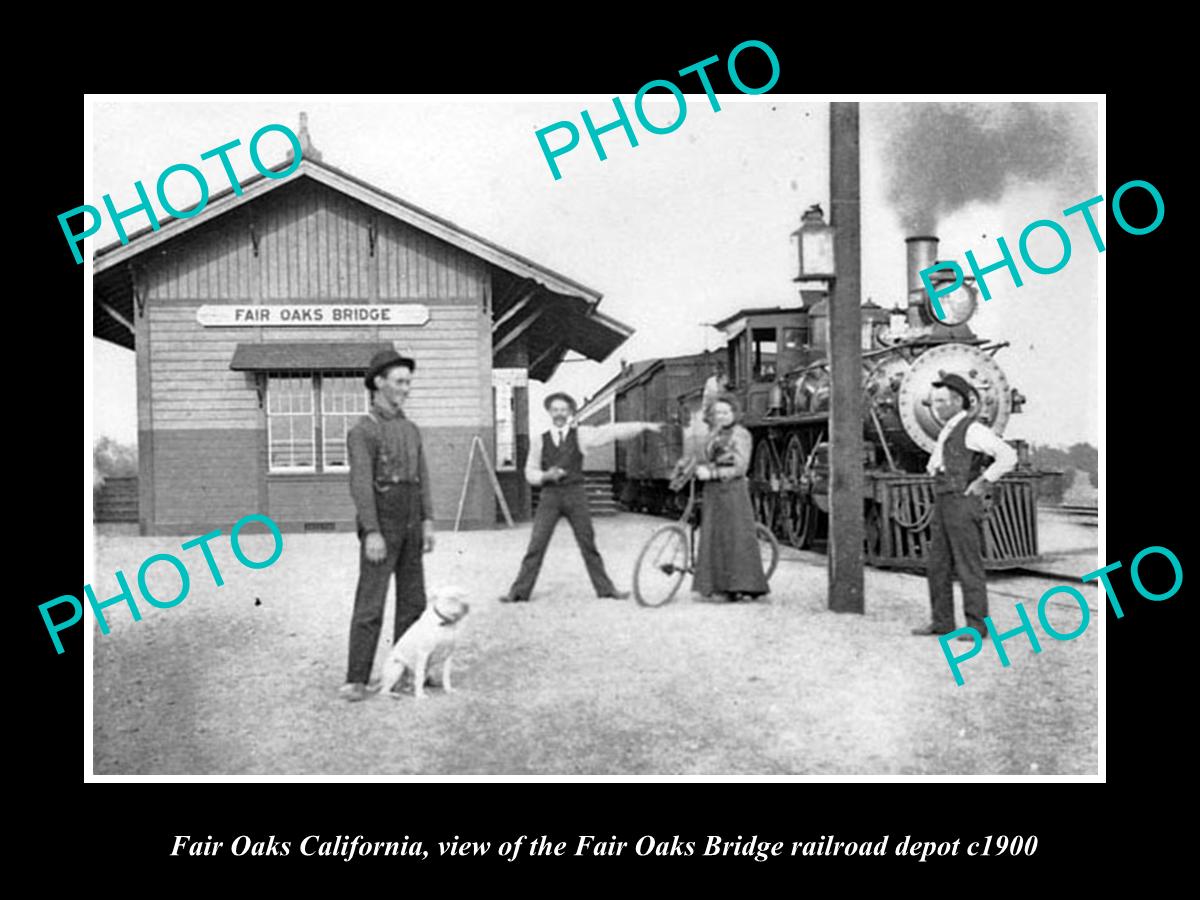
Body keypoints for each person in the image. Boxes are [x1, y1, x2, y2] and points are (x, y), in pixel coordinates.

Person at [499, 392, 661, 603]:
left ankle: (606, 589)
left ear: (570, 413)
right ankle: (519, 592)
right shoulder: (540, 440)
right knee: (536, 544)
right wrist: (546, 475)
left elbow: (611, 431)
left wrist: (642, 426)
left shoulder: (581, 435)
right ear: (549, 412)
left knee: (588, 543)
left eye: (563, 410)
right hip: (550, 496)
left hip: (576, 494)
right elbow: (530, 472)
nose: (559, 414)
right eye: (555, 410)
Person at [339, 349, 436, 702]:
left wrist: (427, 521)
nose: (406, 388)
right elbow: (361, 485)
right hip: (383, 520)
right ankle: (356, 679)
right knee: (371, 603)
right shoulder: (362, 430)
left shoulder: (411, 429)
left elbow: (421, 477)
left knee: (414, 602)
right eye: (399, 382)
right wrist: (372, 531)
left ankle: (406, 673)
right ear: (378, 383)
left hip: (411, 520)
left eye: (409, 382)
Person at [911, 374, 1017, 641]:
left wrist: (983, 481)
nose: (937, 407)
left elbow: (1008, 456)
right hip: (945, 501)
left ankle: (977, 626)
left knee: (967, 565)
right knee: (938, 565)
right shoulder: (948, 429)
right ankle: (942, 622)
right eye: (935, 401)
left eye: (942, 401)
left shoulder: (973, 429)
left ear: (957, 401)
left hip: (961, 502)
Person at [692, 393, 769, 601]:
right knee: (715, 537)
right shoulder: (714, 433)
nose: (721, 416)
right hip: (713, 493)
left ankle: (737, 586)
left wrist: (713, 473)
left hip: (732, 492)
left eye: (726, 412)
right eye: (718, 412)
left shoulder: (741, 434)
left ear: (734, 413)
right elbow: (709, 458)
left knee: (732, 538)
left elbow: (741, 467)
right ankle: (717, 585)